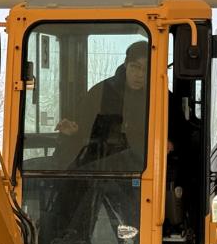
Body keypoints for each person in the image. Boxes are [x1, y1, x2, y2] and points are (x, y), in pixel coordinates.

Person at [56, 40, 150, 169]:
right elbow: (83, 129)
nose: (140, 75)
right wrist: (72, 132)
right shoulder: (101, 92)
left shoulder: (162, 97)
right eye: (135, 67)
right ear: (126, 64)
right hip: (102, 166)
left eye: (146, 69)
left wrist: (171, 142)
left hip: (146, 166)